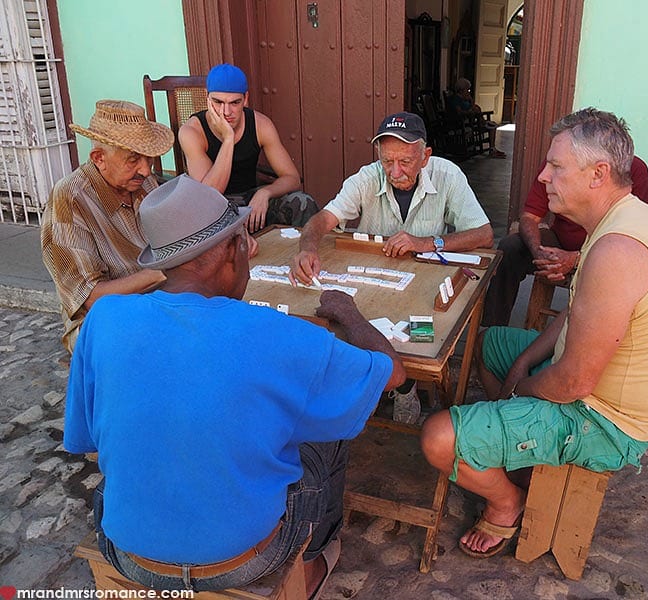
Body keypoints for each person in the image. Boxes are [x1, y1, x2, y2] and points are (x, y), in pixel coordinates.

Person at [63, 175, 406, 595]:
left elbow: (86, 438)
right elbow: (392, 375)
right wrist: (349, 314)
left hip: (127, 549)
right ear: (233, 248)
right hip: (242, 559)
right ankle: (313, 559)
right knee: (331, 423)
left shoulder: (105, 318)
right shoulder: (276, 333)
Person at [421, 108, 648, 558]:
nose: (544, 175)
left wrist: (520, 389)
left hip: (608, 422)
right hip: (594, 388)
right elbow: (576, 319)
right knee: (491, 344)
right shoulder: (617, 221)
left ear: (598, 174)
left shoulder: (618, 249)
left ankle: (507, 501)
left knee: (437, 437)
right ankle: (515, 446)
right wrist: (527, 359)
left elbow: (573, 383)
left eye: (556, 166)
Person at [290, 111, 494, 425]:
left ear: (425, 156)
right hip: (374, 280)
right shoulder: (366, 177)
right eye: (387, 161)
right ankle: (377, 384)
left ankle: (405, 386)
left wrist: (428, 242)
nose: (395, 171)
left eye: (405, 162)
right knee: (352, 320)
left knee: (421, 334)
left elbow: (483, 234)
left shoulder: (448, 174)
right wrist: (307, 247)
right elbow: (322, 221)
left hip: (424, 277)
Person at [41, 99, 174, 352]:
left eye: (150, 159)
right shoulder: (70, 199)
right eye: (134, 159)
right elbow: (91, 298)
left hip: (154, 298)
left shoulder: (143, 182)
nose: (146, 170)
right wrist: (167, 271)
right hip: (102, 322)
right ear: (99, 158)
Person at [481, 155, 648, 327]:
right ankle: (490, 330)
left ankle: (587, 334)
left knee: (614, 266)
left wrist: (577, 258)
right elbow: (529, 217)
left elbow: (633, 238)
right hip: (561, 239)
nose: (544, 176)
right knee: (511, 248)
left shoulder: (634, 169)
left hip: (607, 251)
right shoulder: (560, 161)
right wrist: (538, 252)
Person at [179, 63, 317, 233]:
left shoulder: (260, 125)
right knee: (206, 220)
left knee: (303, 203)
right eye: (218, 102)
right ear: (207, 99)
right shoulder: (192, 131)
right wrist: (228, 138)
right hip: (215, 208)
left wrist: (265, 193)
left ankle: (304, 257)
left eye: (235, 103)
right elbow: (210, 194)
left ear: (245, 99)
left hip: (251, 200)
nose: (226, 111)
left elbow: (292, 178)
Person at [447, 78, 506, 158]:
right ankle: (492, 149)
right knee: (491, 126)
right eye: (467, 90)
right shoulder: (456, 100)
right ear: (461, 90)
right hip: (464, 123)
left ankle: (492, 148)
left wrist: (471, 101)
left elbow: (473, 107)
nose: (468, 92)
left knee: (492, 124)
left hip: (472, 121)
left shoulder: (465, 100)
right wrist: (470, 111)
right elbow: (459, 112)